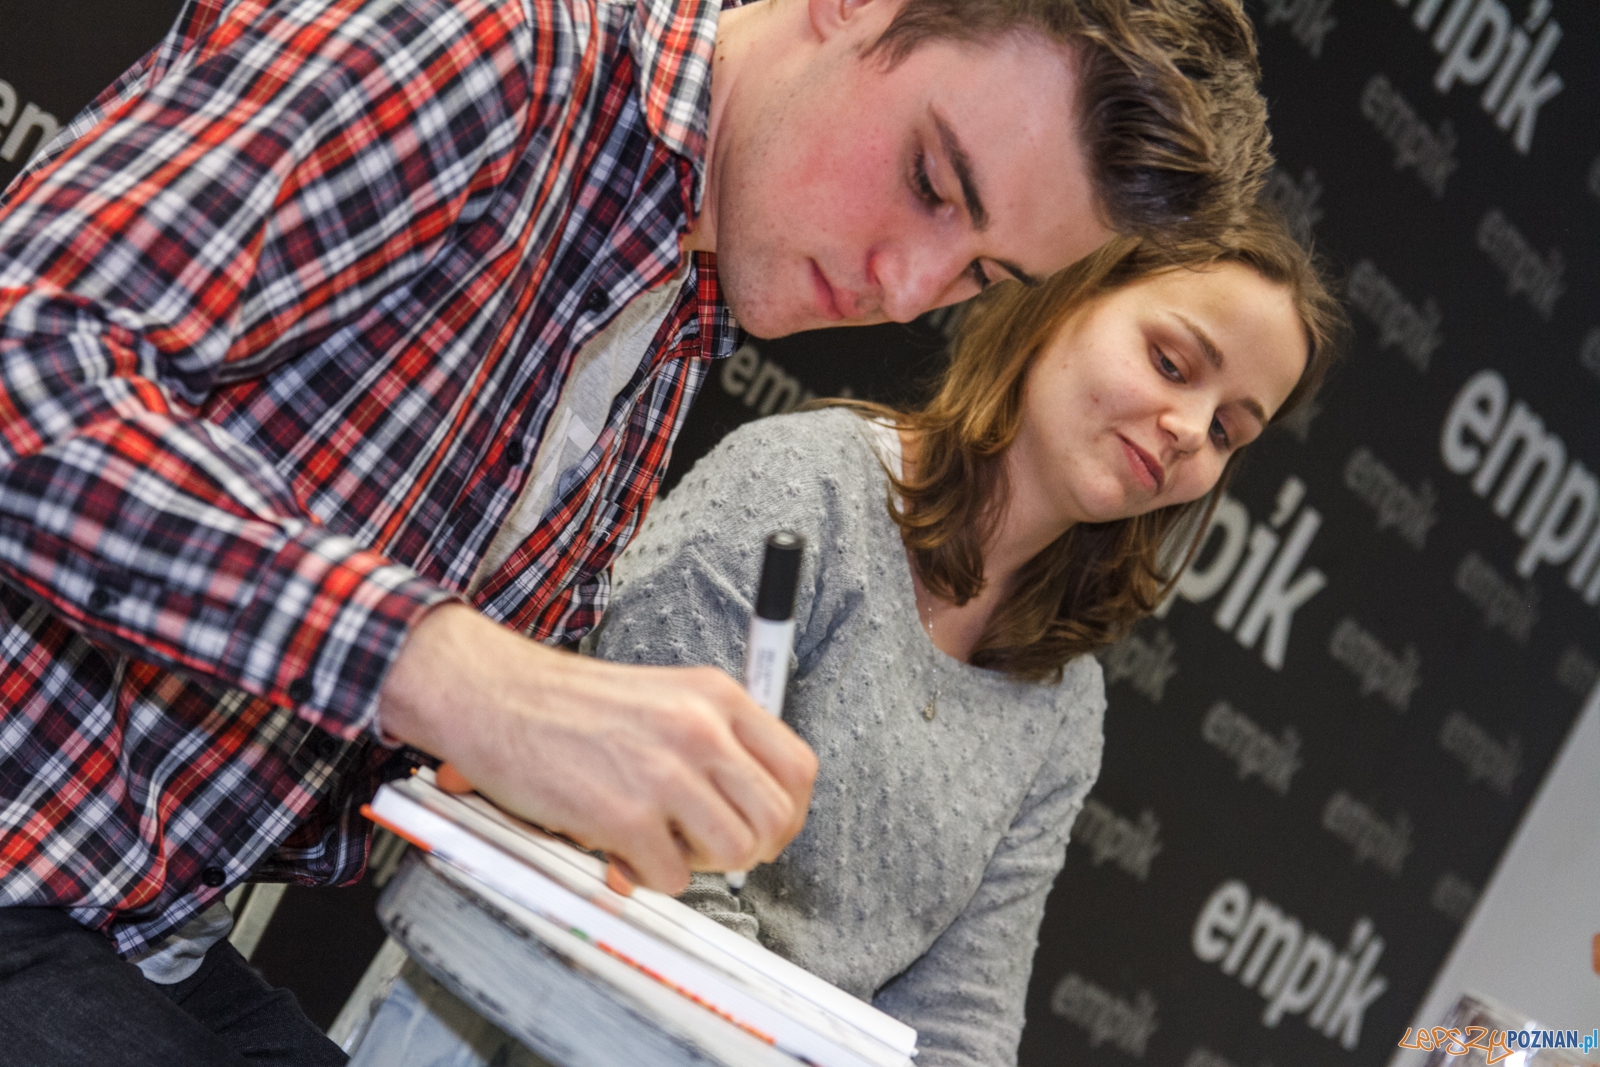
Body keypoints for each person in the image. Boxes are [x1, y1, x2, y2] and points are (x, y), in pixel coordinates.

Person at [0, 0, 1272, 1060]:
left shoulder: (669, 311)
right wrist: (463, 678)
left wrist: (561, 795)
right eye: (928, 181)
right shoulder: (493, 41)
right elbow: (27, 362)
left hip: (144, 926)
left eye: (981, 276)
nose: (905, 288)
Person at [588, 204, 1346, 1067]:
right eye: (1172, 363)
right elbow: (642, 848)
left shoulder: (1066, 700)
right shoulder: (804, 486)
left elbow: (961, 1020)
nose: (1186, 430)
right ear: (1064, 295)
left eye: (1225, 431)